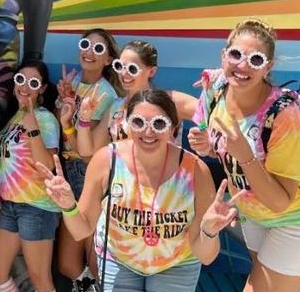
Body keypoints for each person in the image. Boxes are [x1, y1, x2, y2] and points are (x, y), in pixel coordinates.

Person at [39, 89, 243, 291]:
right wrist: (68, 206)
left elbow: (206, 256)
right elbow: (81, 230)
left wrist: (209, 231)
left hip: (177, 263)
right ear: (126, 125)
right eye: (138, 122)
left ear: (173, 128)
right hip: (120, 260)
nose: (148, 132)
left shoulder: (196, 171)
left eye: (159, 124)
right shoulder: (106, 161)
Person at [187, 19, 300, 292]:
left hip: (298, 219)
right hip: (254, 215)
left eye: (255, 60)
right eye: (235, 55)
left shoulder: (283, 116)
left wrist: (245, 154)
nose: (242, 66)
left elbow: (280, 201)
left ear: (268, 67)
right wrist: (208, 145)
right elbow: (223, 148)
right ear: (223, 55)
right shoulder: (217, 88)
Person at [55, 29, 122, 292]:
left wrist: (67, 122)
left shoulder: (104, 93)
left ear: (108, 60)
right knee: (68, 264)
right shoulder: (75, 83)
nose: (89, 52)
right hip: (69, 170)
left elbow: (86, 151)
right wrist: (63, 100)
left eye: (98, 49)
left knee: (94, 258)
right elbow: (60, 130)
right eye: (85, 45)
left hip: (87, 172)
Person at [0, 60, 61, 292]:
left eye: (33, 83)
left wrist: (32, 125)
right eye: (21, 79)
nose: (25, 86)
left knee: (40, 279)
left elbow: (46, 165)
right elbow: (7, 164)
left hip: (37, 206)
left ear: (42, 88)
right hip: (11, 205)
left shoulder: (44, 118)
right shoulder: (13, 117)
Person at [76, 40, 199, 155]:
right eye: (119, 66)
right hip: (122, 171)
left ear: (151, 72)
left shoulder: (169, 101)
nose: (124, 73)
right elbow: (88, 150)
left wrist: (203, 140)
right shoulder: (116, 107)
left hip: (163, 170)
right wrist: (84, 118)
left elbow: (207, 114)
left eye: (132, 69)